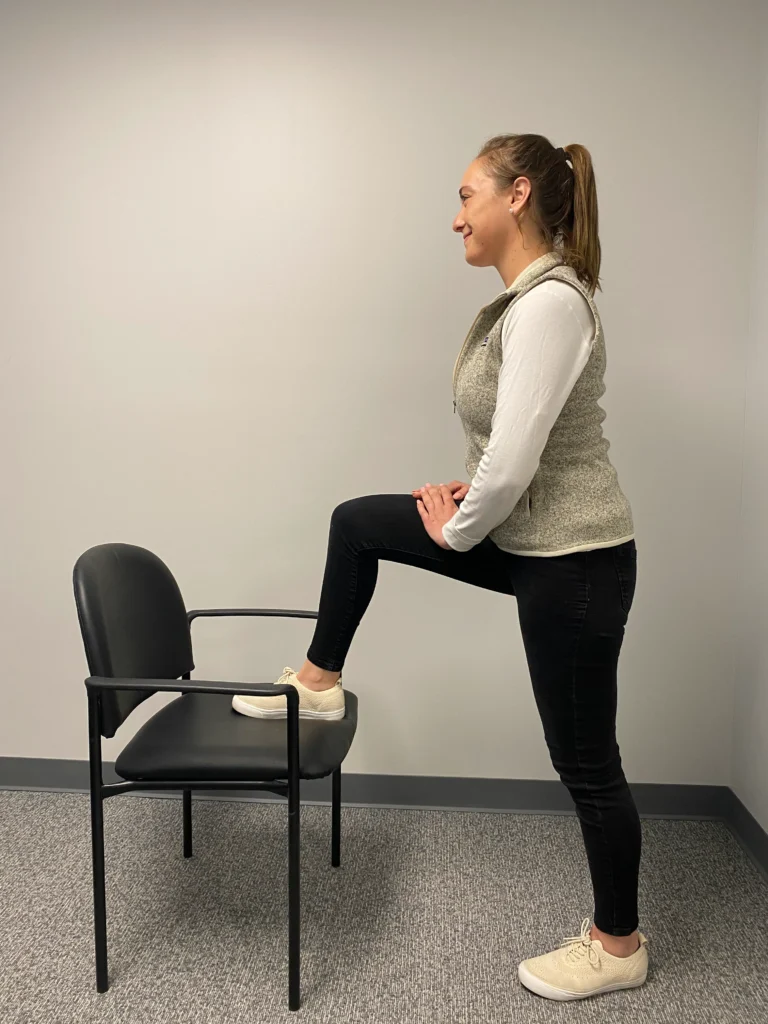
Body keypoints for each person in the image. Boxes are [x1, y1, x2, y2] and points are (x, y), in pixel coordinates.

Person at [232, 133, 648, 1001]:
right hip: (534, 539)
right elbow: (517, 449)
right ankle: (317, 681)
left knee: (584, 760)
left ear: (518, 195)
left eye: (467, 196)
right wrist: (473, 494)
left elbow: (523, 458)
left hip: (577, 563)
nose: (454, 215)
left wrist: (462, 526)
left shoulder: (550, 304)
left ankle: (618, 946)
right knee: (359, 525)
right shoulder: (527, 301)